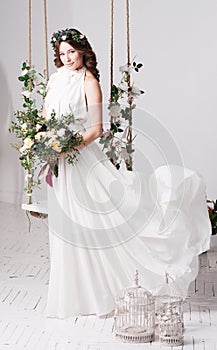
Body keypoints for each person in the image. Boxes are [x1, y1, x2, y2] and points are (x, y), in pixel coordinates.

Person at [44, 28, 211, 318]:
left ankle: (105, 289)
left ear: (83, 50)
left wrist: (66, 147)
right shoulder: (56, 80)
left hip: (81, 160)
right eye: (62, 53)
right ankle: (74, 293)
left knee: (94, 223)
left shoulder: (89, 82)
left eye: (71, 51)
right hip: (60, 163)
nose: (67, 58)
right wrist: (46, 143)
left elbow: (96, 129)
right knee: (66, 227)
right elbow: (48, 120)